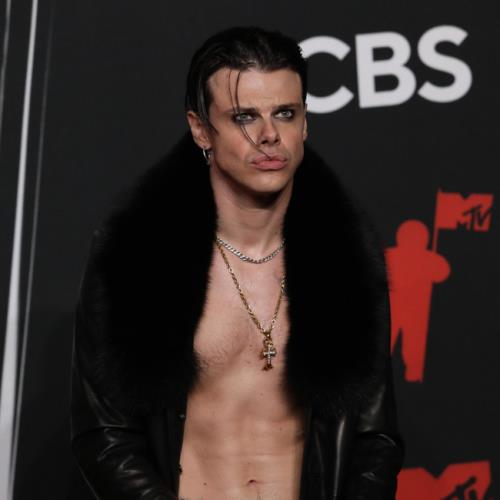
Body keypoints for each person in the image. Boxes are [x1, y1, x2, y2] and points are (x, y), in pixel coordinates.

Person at [70, 26, 404, 499]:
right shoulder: (137, 258)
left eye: (285, 113)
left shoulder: (346, 262)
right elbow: (105, 436)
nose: (269, 135)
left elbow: (375, 438)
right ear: (200, 129)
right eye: (245, 117)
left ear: (305, 123)